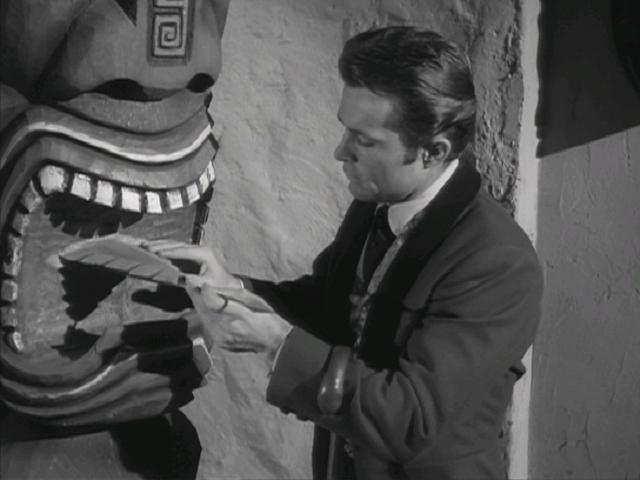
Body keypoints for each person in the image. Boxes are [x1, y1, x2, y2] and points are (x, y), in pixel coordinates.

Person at [149, 26, 543, 480]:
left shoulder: (497, 262)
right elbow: (329, 308)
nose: (340, 152)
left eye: (365, 141)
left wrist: (277, 342)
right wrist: (234, 290)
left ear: (433, 151)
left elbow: (412, 419)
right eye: (345, 130)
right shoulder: (376, 205)